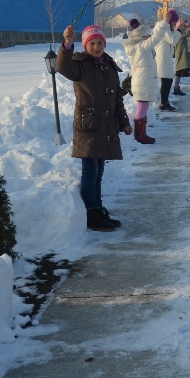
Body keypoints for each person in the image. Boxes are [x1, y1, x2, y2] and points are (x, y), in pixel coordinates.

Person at [58, 24, 132, 231]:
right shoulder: (80, 65)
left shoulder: (108, 65)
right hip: (89, 127)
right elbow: (62, 68)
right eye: (92, 43)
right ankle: (89, 213)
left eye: (100, 43)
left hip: (106, 127)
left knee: (99, 171)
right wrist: (68, 43)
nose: (97, 47)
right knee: (90, 172)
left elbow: (117, 98)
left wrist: (124, 122)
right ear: (86, 44)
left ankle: (97, 208)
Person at [122, 17, 173, 144]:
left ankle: (142, 133)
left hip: (141, 80)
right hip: (143, 80)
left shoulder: (136, 47)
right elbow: (157, 37)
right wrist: (164, 23)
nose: (149, 35)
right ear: (142, 34)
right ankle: (139, 135)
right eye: (147, 33)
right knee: (142, 108)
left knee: (143, 107)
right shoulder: (142, 46)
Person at [152, 11, 184, 113]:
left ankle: (164, 102)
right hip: (162, 56)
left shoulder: (165, 27)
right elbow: (172, 40)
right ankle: (163, 103)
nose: (175, 24)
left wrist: (176, 30)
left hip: (165, 56)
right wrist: (178, 30)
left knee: (168, 79)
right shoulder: (164, 27)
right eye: (174, 21)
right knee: (166, 79)